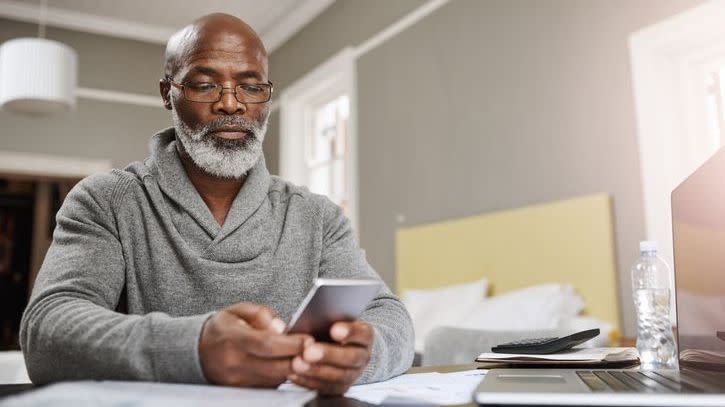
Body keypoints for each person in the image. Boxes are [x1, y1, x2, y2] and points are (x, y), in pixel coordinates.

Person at [19, 13, 414, 396]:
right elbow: (47, 329)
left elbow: (390, 316)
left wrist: (363, 354)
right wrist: (193, 348)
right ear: (167, 95)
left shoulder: (318, 216)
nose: (231, 104)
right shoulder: (107, 200)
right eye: (205, 85)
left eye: (251, 86)